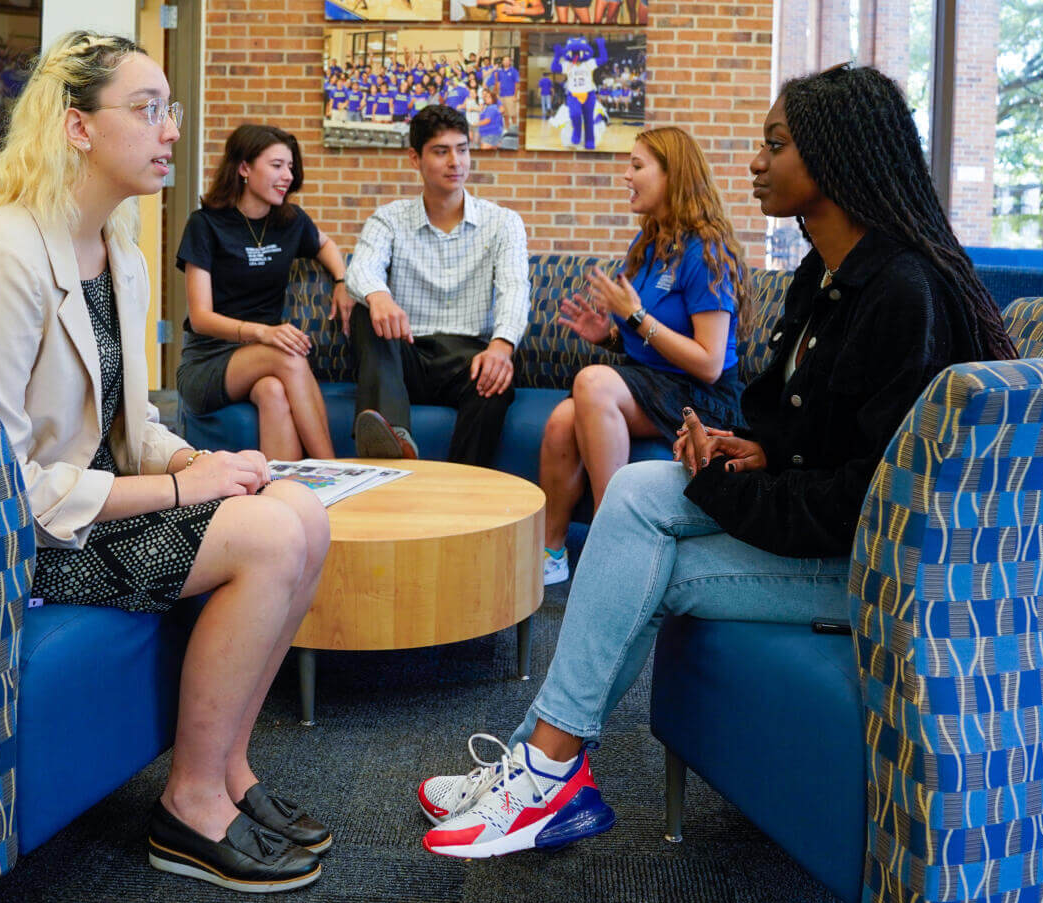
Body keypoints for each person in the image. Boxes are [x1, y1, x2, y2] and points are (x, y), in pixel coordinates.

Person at [412, 63, 1017, 859]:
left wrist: (717, 482)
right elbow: (800, 423)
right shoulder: (824, 274)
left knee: (649, 565)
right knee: (631, 490)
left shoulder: (906, 293)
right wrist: (754, 448)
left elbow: (860, 501)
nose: (755, 162)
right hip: (823, 518)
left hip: (872, 562)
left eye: (775, 145)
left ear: (833, 156)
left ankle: (545, 769)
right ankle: (543, 762)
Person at [0, 32, 331, 892]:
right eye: (147, 110)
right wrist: (184, 487)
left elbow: (129, 419)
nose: (171, 130)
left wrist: (201, 458)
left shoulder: (122, 249)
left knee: (302, 513)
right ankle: (188, 805)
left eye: (168, 111)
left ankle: (230, 770)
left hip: (84, 508)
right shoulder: (1, 256)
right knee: (264, 539)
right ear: (75, 127)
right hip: (23, 547)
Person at [537, 127, 746, 585]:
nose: (625, 176)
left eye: (636, 166)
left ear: (673, 176)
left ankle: (614, 540)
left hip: (704, 395)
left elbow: (710, 362)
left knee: (593, 383)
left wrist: (634, 318)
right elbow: (644, 339)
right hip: (651, 383)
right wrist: (610, 336)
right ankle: (552, 552)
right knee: (560, 420)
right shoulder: (647, 245)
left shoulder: (706, 252)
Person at [345, 105, 529, 465]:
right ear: (415, 159)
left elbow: (515, 288)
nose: (455, 162)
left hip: (467, 358)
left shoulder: (503, 222)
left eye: (462, 149)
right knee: (365, 312)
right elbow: (361, 268)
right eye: (441, 151)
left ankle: (464, 486)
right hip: (405, 356)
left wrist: (502, 347)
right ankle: (392, 441)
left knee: (495, 372)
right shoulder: (389, 218)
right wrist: (378, 295)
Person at [177, 124, 355, 461]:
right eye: (276, 165)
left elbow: (325, 244)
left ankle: (281, 495)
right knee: (287, 355)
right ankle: (332, 470)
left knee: (273, 391)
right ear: (244, 167)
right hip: (209, 360)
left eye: (290, 166)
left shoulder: (290, 221)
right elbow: (200, 318)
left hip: (265, 356)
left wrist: (342, 281)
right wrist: (264, 333)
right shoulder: (205, 225)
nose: (287, 175)